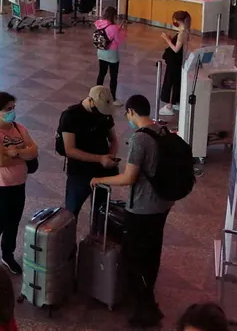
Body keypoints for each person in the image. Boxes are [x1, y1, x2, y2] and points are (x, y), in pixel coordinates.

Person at [91, 95, 174, 327]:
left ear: (131, 112)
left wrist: (100, 179)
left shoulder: (140, 139)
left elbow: (129, 177)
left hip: (142, 208)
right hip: (162, 205)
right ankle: (148, 298)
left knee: (134, 257)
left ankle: (145, 307)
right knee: (152, 252)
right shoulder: (161, 131)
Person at [0, 92, 39, 274]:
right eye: (8, 109)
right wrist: (18, 152)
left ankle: (8, 255)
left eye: (13, 108)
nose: (12, 111)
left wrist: (15, 152)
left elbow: (34, 151)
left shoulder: (19, 128)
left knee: (13, 222)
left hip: (18, 185)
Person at [60, 85, 119, 217]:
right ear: (91, 102)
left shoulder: (105, 115)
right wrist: (100, 159)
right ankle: (68, 237)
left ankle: (97, 235)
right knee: (70, 213)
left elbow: (113, 139)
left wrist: (111, 156)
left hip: (102, 172)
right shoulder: (70, 116)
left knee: (101, 212)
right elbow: (69, 150)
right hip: (79, 172)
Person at [159, 11, 191, 117]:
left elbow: (176, 49)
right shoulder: (186, 31)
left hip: (175, 61)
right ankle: (175, 101)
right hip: (179, 60)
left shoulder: (182, 33)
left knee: (171, 82)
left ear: (177, 20)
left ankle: (169, 105)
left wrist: (167, 39)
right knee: (176, 82)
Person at [94, 6, 126, 105]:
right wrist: (122, 32)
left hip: (101, 52)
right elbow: (118, 41)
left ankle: (96, 95)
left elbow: (107, 34)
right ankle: (113, 98)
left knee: (101, 73)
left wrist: (117, 29)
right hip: (112, 54)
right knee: (113, 76)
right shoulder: (114, 27)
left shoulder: (99, 24)